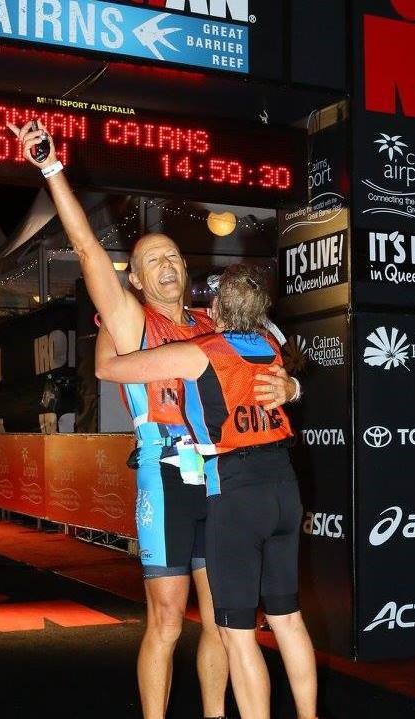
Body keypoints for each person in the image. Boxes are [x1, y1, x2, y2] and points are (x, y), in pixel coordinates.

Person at [7, 119, 298, 719]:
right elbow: (88, 249)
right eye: (150, 260)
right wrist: (51, 168)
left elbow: (271, 367)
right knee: (166, 621)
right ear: (134, 280)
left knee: (224, 620)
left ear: (185, 271)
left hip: (224, 483)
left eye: (172, 257)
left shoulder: (214, 325)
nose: (165, 264)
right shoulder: (133, 325)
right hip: (165, 482)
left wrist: (290, 384)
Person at [97, 264, 317, 719]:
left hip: (237, 492)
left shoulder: (199, 351)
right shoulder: (271, 347)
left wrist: (108, 322)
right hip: (284, 487)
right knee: (288, 619)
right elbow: (289, 379)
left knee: (236, 631)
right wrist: (293, 387)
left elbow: (111, 368)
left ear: (215, 310)